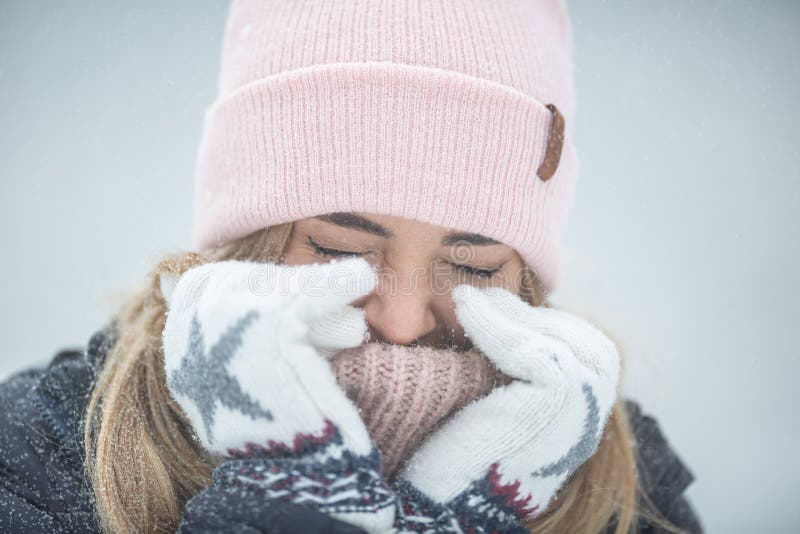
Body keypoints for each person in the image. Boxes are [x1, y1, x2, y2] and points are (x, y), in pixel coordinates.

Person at [0, 1, 703, 533]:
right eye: (340, 249)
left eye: (472, 264)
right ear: (245, 245)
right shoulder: (40, 456)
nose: (399, 323)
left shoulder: (625, 494)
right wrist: (293, 493)